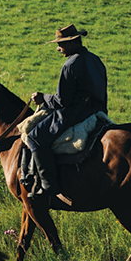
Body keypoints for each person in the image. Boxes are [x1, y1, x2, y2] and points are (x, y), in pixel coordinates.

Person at [23, 24, 108, 206]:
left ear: (70, 43)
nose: (58, 48)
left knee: (34, 138)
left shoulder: (70, 64)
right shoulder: (95, 60)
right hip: (96, 110)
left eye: (60, 44)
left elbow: (62, 101)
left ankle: (48, 186)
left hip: (75, 112)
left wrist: (42, 98)